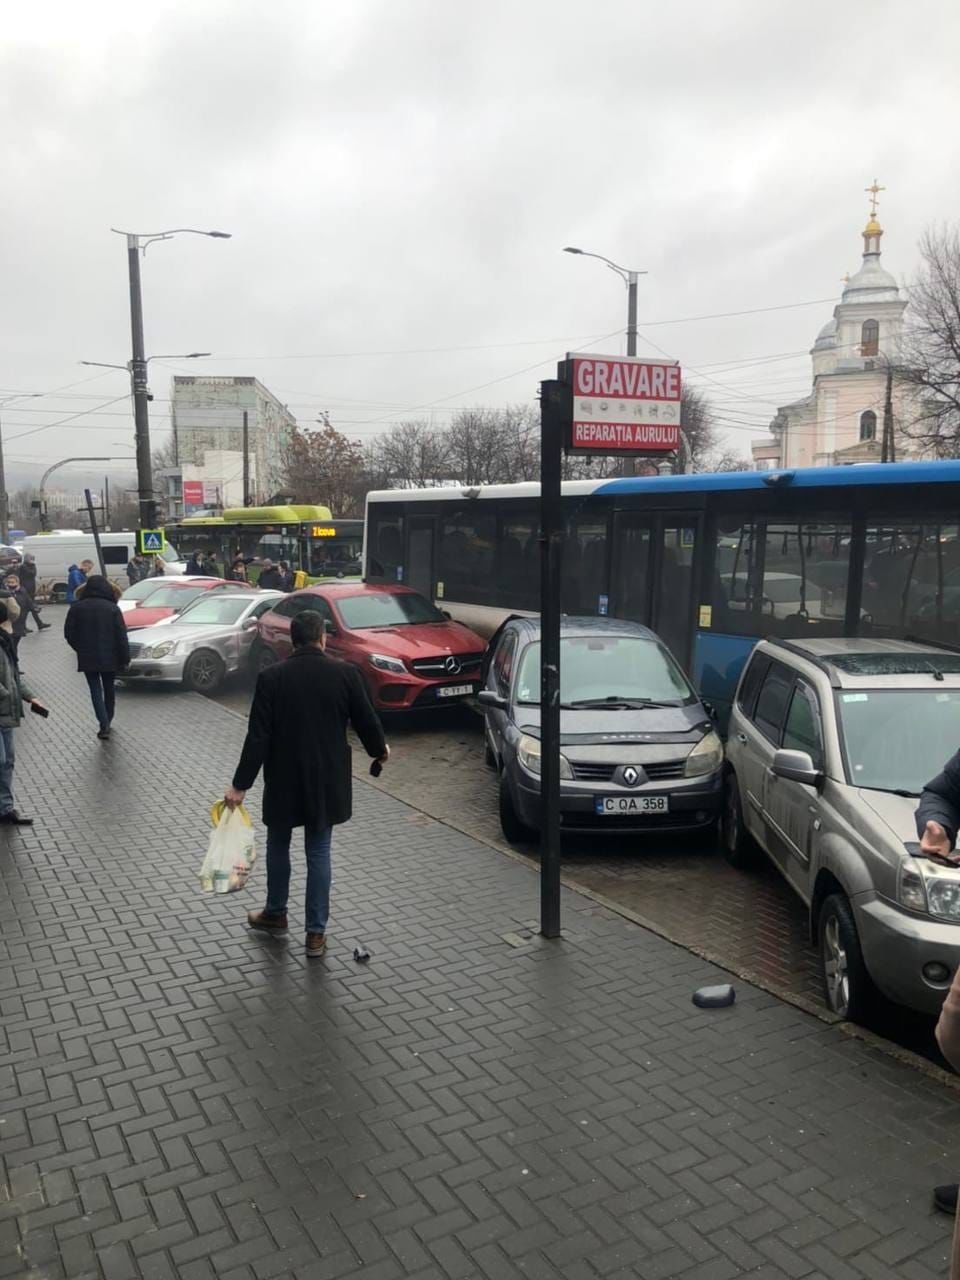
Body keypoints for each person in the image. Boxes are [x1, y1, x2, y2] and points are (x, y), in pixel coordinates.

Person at [224, 610, 389, 958]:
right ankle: (315, 934)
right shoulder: (345, 674)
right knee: (318, 851)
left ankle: (276, 913)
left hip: (283, 777)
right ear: (322, 638)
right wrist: (379, 751)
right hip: (325, 781)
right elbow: (366, 721)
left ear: (294, 640)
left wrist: (240, 785)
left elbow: (258, 738)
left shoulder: (272, 677)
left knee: (278, 845)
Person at [64, 574, 130, 741]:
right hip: (111, 656)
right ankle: (108, 719)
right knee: (109, 689)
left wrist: (80, 648)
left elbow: (69, 633)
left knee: (95, 690)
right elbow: (121, 636)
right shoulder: (112, 608)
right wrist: (125, 657)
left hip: (88, 656)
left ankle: (103, 723)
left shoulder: (77, 607)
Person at [0, 600, 47, 825]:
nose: (12, 624)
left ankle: (5, 808)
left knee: (7, 760)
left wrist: (30, 697)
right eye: (8, 619)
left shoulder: (4, 643)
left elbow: (14, 677)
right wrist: (9, 694)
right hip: (3, 707)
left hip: (5, 714)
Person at [17, 554, 49, 632]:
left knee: (31, 608)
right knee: (25, 609)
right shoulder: (23, 566)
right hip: (25, 590)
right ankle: (24, 627)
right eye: (31, 559)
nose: (32, 560)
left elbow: (34, 573)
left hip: (30, 590)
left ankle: (39, 624)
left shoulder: (30, 566)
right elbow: (31, 573)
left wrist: (33, 565)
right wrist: (33, 565)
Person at [1, 573, 31, 654]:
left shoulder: (22, 591)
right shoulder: (5, 594)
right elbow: (13, 611)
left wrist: (33, 608)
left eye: (12, 582)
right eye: (9, 582)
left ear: (18, 583)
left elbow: (28, 602)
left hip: (19, 623)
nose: (10, 584)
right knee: (10, 648)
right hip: (8, 625)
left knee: (14, 647)